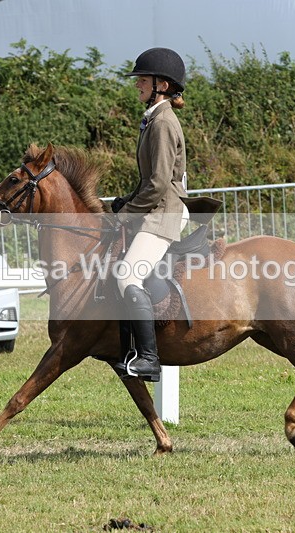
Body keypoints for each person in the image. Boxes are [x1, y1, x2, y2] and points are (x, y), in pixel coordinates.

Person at [110, 47, 193, 381]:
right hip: (158, 207)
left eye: (142, 79)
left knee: (126, 275)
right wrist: (126, 199)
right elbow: (151, 180)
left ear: (162, 84)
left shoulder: (161, 122)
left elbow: (158, 184)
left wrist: (126, 213)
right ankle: (130, 350)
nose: (137, 84)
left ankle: (148, 358)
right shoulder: (154, 118)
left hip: (165, 213)